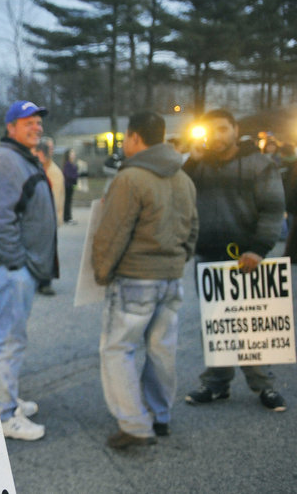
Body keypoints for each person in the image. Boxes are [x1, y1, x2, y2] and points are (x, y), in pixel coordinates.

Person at [92, 111, 198, 449]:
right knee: (161, 349)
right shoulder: (184, 178)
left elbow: (113, 233)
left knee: (118, 349)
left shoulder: (131, 178)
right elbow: (193, 229)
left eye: (126, 137)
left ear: (135, 137)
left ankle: (135, 425)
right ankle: (159, 416)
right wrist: (178, 259)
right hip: (170, 278)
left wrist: (101, 271)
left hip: (135, 277)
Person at [182, 109, 287, 412]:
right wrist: (192, 159)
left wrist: (259, 248)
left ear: (235, 130)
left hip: (247, 257)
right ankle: (216, 384)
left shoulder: (259, 164)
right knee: (214, 324)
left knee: (251, 324)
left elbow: (272, 208)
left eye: (223, 129)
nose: (217, 136)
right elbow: (179, 187)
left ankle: (264, 386)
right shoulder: (198, 165)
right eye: (211, 130)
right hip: (209, 256)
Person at [0, 100, 57, 441]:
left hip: (16, 267)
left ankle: (7, 398)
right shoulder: (6, 161)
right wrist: (17, 261)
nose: (36, 126)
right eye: (27, 122)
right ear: (11, 127)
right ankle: (3, 414)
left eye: (38, 122)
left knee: (11, 338)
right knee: (9, 340)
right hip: (9, 268)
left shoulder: (19, 157)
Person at [33, 137, 63, 296]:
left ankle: (45, 282)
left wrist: (51, 219)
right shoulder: (40, 169)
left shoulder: (53, 172)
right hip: (40, 218)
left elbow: (55, 199)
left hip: (48, 218)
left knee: (47, 251)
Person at [63, 148, 78, 224]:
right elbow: (68, 175)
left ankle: (69, 217)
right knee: (67, 201)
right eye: (72, 153)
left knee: (69, 201)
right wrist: (75, 176)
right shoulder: (68, 164)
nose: (73, 154)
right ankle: (66, 217)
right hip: (67, 185)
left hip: (71, 185)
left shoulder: (72, 164)